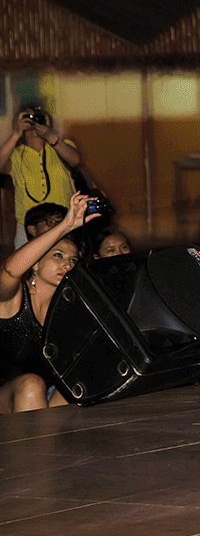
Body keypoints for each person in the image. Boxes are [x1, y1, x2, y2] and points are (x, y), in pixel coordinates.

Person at [1, 192, 98, 413]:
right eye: (58, 256)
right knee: (31, 385)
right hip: (6, 397)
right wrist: (66, 225)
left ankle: (47, 444)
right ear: (35, 264)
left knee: (77, 382)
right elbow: (10, 269)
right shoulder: (13, 298)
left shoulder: (68, 311)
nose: (67, 265)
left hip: (42, 405)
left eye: (73, 260)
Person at [2, 106, 83, 250]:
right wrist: (16, 133)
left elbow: (75, 160)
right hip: (29, 227)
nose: (34, 124)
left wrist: (50, 135)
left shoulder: (61, 146)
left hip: (64, 221)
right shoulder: (15, 155)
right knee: (26, 269)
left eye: (39, 118)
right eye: (29, 119)